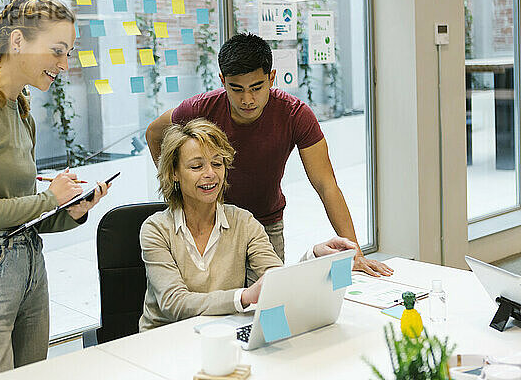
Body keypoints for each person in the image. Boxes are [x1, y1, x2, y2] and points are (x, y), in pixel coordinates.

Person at [0, 0, 109, 380]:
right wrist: (47, 198)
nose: (64, 64)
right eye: (58, 51)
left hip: (29, 267)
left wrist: (69, 211)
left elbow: (27, 215)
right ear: (17, 42)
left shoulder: (21, 111)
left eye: (69, 53)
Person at [145, 33, 392, 279]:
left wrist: (355, 251)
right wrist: (174, 184)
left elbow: (326, 185)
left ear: (271, 78)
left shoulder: (295, 114)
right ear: (222, 80)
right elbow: (154, 133)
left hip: (265, 225)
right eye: (236, 89)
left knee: (270, 302)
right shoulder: (200, 109)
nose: (247, 99)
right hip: (210, 225)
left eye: (256, 87)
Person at [139, 118, 357, 331]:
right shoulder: (156, 230)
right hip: (166, 339)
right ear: (174, 173)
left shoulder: (243, 222)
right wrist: (244, 296)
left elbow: (276, 280)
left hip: (221, 333)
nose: (210, 174)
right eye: (197, 166)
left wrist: (314, 256)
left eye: (217, 163)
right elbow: (174, 303)